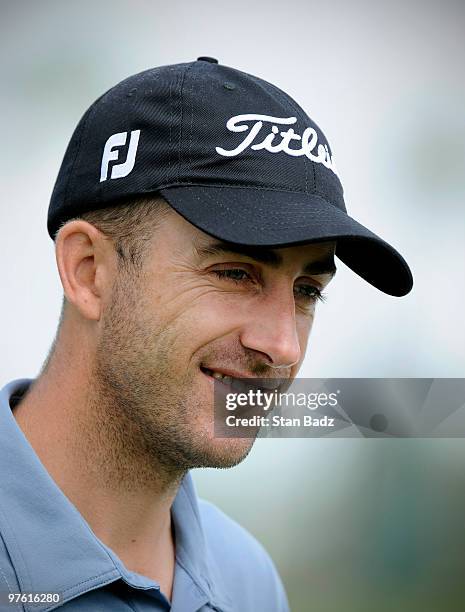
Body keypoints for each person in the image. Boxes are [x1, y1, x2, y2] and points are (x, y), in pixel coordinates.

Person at [0, 56, 412, 612]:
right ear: (89, 271)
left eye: (307, 291)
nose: (283, 346)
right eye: (234, 273)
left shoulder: (248, 581)